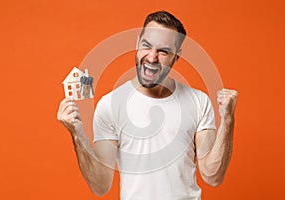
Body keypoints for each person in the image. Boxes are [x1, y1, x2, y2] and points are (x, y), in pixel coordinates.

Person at [57, 10, 238, 200]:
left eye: (163, 51)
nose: (152, 58)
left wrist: (228, 120)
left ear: (177, 56)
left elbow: (212, 176)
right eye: (146, 46)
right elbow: (100, 186)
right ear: (137, 44)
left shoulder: (199, 102)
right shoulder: (110, 105)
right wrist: (77, 134)